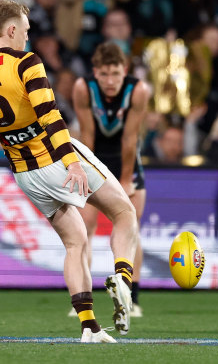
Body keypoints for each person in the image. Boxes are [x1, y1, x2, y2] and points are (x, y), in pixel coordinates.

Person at [0, 0, 138, 343]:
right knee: (124, 213)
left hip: (25, 174)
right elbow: (50, 115)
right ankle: (123, 278)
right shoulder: (26, 63)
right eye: (26, 32)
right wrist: (72, 161)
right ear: (11, 30)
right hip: (57, 158)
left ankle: (89, 327)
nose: (27, 40)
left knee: (75, 243)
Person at [72, 42, 150, 318]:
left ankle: (132, 298)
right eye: (104, 74)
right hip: (94, 156)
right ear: (95, 72)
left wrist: (126, 180)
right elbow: (87, 136)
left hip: (126, 158)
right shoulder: (83, 88)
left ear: (124, 71)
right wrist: (88, 172)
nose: (110, 80)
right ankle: (83, 296)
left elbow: (131, 138)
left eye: (115, 73)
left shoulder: (138, 90)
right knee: (84, 228)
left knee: (131, 228)